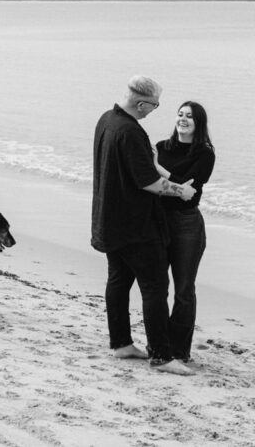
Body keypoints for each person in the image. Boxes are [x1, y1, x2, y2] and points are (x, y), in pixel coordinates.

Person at [92, 75, 197, 376]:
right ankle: (162, 356)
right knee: (155, 288)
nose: (155, 111)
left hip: (109, 219)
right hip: (135, 226)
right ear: (141, 103)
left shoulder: (106, 120)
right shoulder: (130, 131)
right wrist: (183, 191)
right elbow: (149, 182)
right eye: (154, 106)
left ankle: (121, 344)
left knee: (119, 281)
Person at [155, 101, 215, 364]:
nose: (183, 119)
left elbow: (186, 185)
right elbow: (166, 183)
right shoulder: (160, 147)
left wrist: (159, 169)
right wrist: (169, 179)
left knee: (184, 290)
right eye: (180, 114)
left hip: (187, 224)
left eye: (189, 116)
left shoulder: (205, 153)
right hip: (157, 222)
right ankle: (159, 345)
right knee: (156, 288)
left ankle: (179, 351)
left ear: (198, 123)